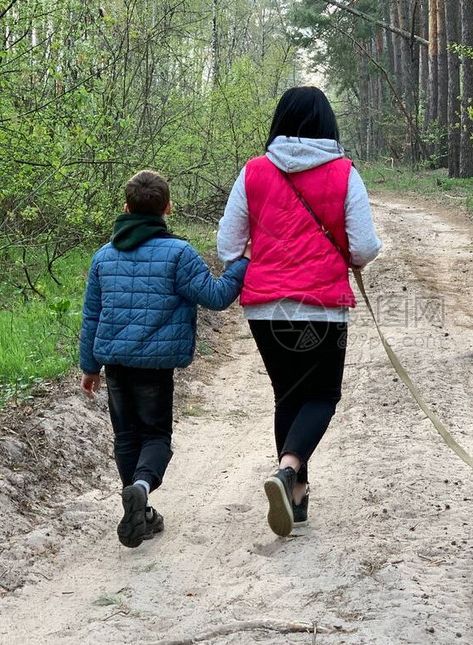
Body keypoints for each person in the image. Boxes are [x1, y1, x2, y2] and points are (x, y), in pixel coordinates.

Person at [217, 86, 382, 537]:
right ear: (328, 124)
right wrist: (350, 259)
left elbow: (227, 247)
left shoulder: (252, 172)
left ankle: (297, 494)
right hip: (322, 307)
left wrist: (268, 263)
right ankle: (288, 469)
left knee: (289, 394)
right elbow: (365, 246)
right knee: (323, 395)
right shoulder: (344, 173)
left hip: (264, 308)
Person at [79, 170, 249, 548]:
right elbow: (218, 296)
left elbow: (91, 315)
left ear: (125, 208)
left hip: (115, 363)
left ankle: (137, 507)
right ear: (168, 208)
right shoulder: (179, 254)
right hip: (155, 367)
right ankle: (140, 489)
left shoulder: (103, 257)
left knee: (126, 437)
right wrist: (243, 261)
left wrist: (89, 367)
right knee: (156, 435)